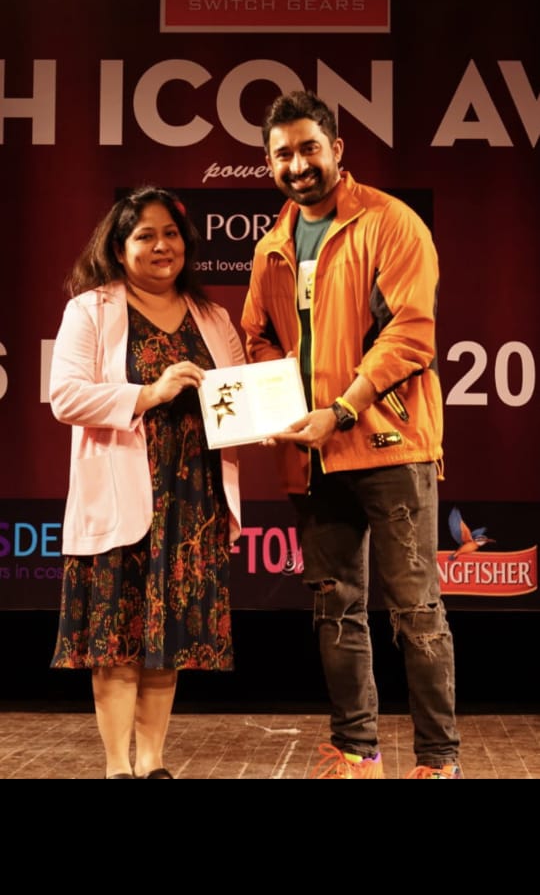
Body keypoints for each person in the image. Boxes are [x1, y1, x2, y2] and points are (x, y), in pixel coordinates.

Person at [241, 90, 462, 780]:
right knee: (336, 611)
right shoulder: (272, 246)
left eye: (309, 148)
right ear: (269, 163)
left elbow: (411, 334)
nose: (297, 165)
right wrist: (268, 403)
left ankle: (439, 762)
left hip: (391, 446)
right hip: (313, 458)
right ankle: (358, 752)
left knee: (416, 611)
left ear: (337, 149)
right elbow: (256, 337)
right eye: (283, 154)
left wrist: (340, 409)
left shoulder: (392, 224)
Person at [49, 185, 244, 779]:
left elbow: (241, 395)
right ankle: (117, 767)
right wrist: (149, 393)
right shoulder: (91, 309)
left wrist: (269, 416)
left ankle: (154, 762)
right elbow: (65, 396)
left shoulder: (213, 317)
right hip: (122, 494)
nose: (162, 246)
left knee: (169, 638)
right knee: (116, 640)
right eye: (146, 235)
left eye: (171, 234)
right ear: (119, 247)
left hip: (194, 499)